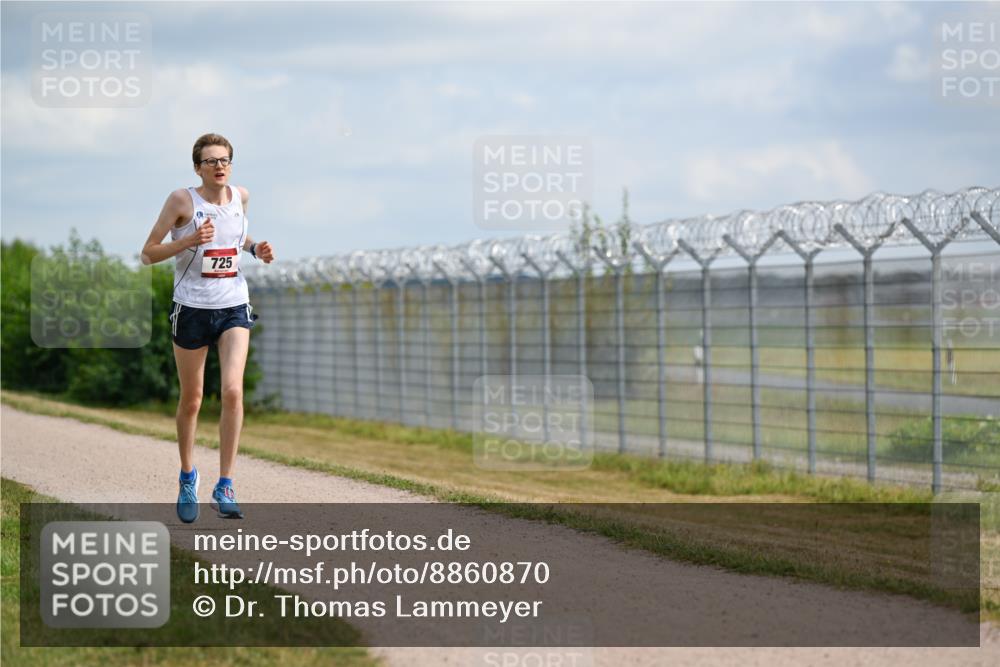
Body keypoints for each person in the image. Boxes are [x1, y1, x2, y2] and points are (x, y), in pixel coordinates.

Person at [141, 133, 274, 523]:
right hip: (192, 309)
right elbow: (148, 253)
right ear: (198, 167)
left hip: (232, 304)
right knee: (193, 399)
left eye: (225, 160)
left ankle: (226, 483)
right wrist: (187, 242)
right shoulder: (182, 201)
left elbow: (236, 237)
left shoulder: (241, 197)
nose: (219, 166)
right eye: (211, 161)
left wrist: (254, 249)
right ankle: (187, 476)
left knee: (233, 391)